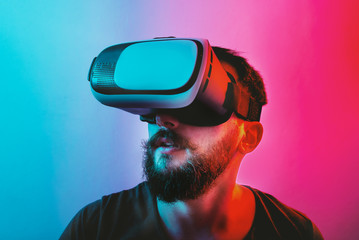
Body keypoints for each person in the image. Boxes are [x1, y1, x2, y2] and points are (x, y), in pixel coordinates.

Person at [60, 45, 323, 240]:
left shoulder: (294, 233)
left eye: (199, 106)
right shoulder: (96, 228)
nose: (164, 120)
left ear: (248, 137)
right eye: (158, 105)